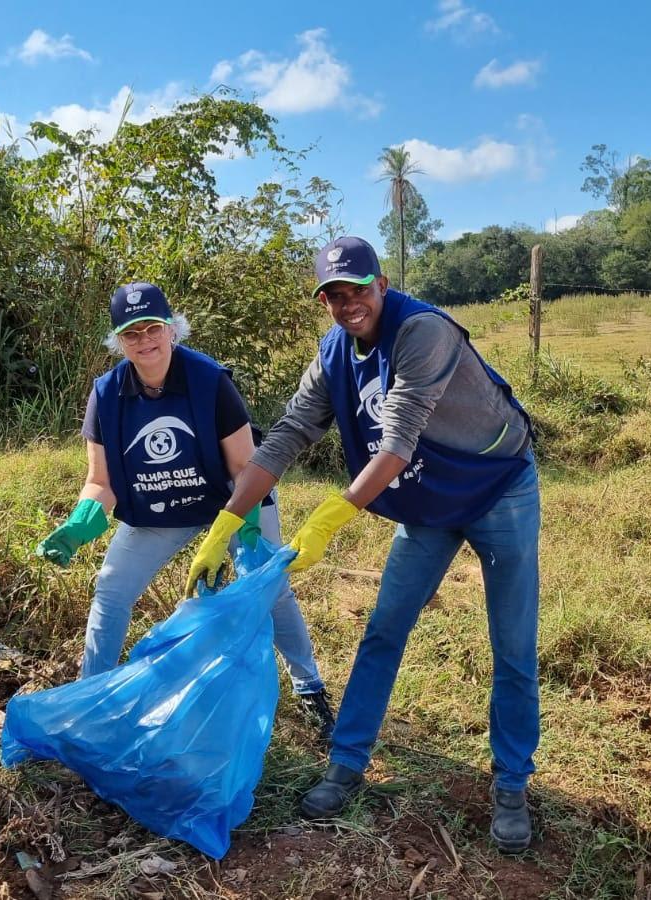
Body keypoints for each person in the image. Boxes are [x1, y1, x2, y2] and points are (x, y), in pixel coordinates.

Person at [182, 237, 541, 853]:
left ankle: (510, 784)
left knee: (511, 646)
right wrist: (225, 523)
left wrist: (331, 515)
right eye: (334, 295)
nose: (348, 304)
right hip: (429, 504)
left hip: (498, 490)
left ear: (381, 282)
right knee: (383, 630)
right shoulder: (334, 353)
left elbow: (397, 442)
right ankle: (346, 763)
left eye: (357, 289)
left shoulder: (424, 332)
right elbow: (288, 435)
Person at [36, 282, 337, 744]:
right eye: (131, 333)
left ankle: (309, 686)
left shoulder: (209, 381)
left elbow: (244, 467)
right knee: (111, 592)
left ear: (172, 329)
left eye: (152, 328)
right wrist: (80, 522)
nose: (144, 340)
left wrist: (244, 536)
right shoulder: (107, 394)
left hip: (232, 503)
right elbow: (102, 481)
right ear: (118, 341)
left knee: (270, 587)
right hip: (159, 508)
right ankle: (88, 697)